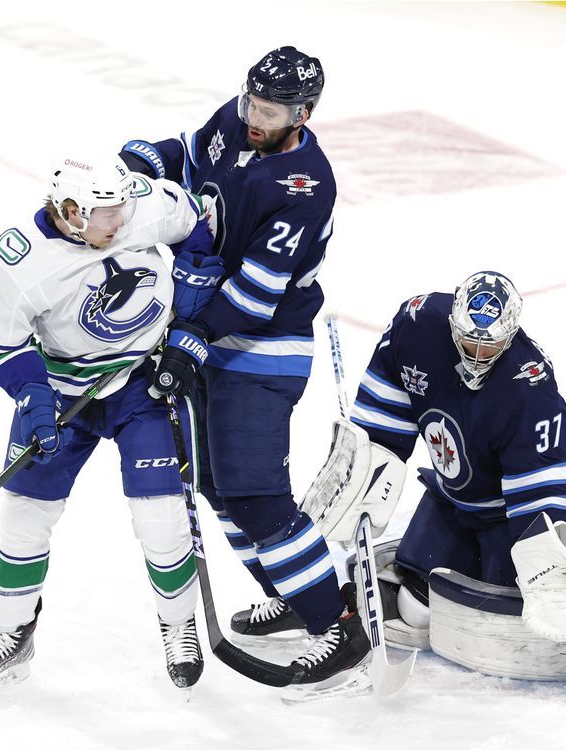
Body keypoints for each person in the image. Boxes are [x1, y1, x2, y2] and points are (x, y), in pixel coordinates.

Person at [235, 271, 566, 691]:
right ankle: (314, 604)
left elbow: (546, 489)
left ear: (511, 333)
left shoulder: (528, 386)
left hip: (521, 512)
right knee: (407, 600)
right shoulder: (417, 325)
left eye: (488, 343)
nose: (476, 352)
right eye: (467, 339)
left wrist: (546, 557)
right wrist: (365, 463)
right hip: (457, 500)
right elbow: (387, 400)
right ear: (452, 318)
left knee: (522, 619)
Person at [119, 46, 369, 690]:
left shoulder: (307, 184)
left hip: (265, 348)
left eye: (269, 109)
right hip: (209, 334)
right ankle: (291, 589)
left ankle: (337, 624)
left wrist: (194, 336)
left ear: (302, 114)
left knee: (255, 493)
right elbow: (191, 150)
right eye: (251, 101)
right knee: (218, 486)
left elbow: (260, 292)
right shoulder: (236, 121)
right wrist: (155, 156)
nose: (253, 115)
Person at [0, 154, 219, 693]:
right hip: (62, 395)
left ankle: (178, 625)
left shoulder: (140, 204)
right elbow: (0, 347)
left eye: (122, 208)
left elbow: (200, 225)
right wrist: (31, 396)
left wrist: (192, 307)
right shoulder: (17, 259)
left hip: (142, 385)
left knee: (161, 518)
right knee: (25, 514)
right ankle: (12, 634)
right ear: (71, 211)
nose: (121, 222)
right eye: (106, 214)